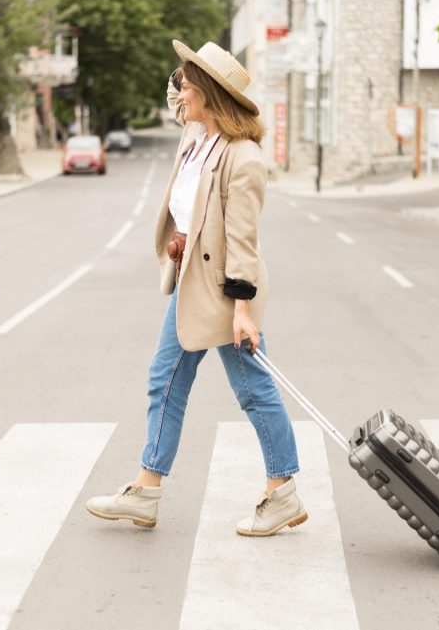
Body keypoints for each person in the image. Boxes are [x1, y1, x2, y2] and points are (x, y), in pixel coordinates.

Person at [85, 41, 306, 537]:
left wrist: (243, 309)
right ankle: (146, 490)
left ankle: (282, 491)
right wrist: (186, 70)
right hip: (191, 283)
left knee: (253, 391)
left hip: (227, 293)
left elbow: (242, 241)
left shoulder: (243, 158)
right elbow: (175, 98)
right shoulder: (196, 134)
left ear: (208, 93)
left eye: (189, 84)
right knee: (164, 382)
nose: (180, 91)